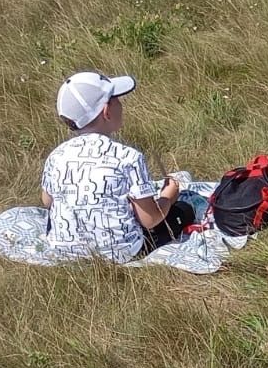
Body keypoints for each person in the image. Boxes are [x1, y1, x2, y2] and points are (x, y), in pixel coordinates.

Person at [41, 71, 192, 262]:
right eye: (117, 99)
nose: (121, 104)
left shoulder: (56, 155)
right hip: (121, 252)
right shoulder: (128, 157)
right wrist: (168, 197)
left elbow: (47, 201)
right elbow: (150, 219)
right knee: (184, 210)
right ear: (107, 111)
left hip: (63, 251)